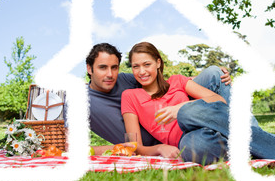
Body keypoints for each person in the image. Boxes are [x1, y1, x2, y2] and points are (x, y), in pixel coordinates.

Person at [121, 42, 275, 165]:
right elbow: (133, 146)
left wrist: (180, 108)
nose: (141, 71)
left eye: (147, 64)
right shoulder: (130, 96)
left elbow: (218, 101)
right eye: (135, 66)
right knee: (196, 147)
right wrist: (159, 148)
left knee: (185, 114)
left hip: (211, 122)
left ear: (158, 63)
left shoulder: (177, 81)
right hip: (195, 138)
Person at [85, 43, 232, 154]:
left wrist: (188, 84)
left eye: (114, 67)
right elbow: (133, 145)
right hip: (168, 139)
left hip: (189, 116)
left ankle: (244, 133)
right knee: (197, 142)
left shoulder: (125, 79)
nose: (110, 74)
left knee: (215, 73)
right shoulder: (80, 100)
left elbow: (161, 83)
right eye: (102, 68)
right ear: (89, 69)